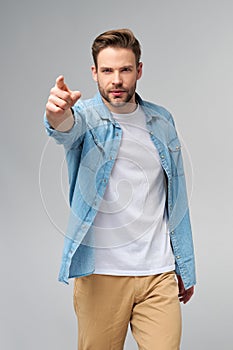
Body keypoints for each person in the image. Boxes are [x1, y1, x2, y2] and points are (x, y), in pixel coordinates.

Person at [44, 28, 196, 350]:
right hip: (102, 275)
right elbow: (66, 130)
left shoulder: (162, 120)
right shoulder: (84, 116)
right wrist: (57, 116)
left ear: (139, 70)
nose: (117, 80)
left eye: (125, 70)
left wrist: (184, 265)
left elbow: (176, 199)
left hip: (158, 274)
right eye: (108, 70)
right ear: (94, 73)